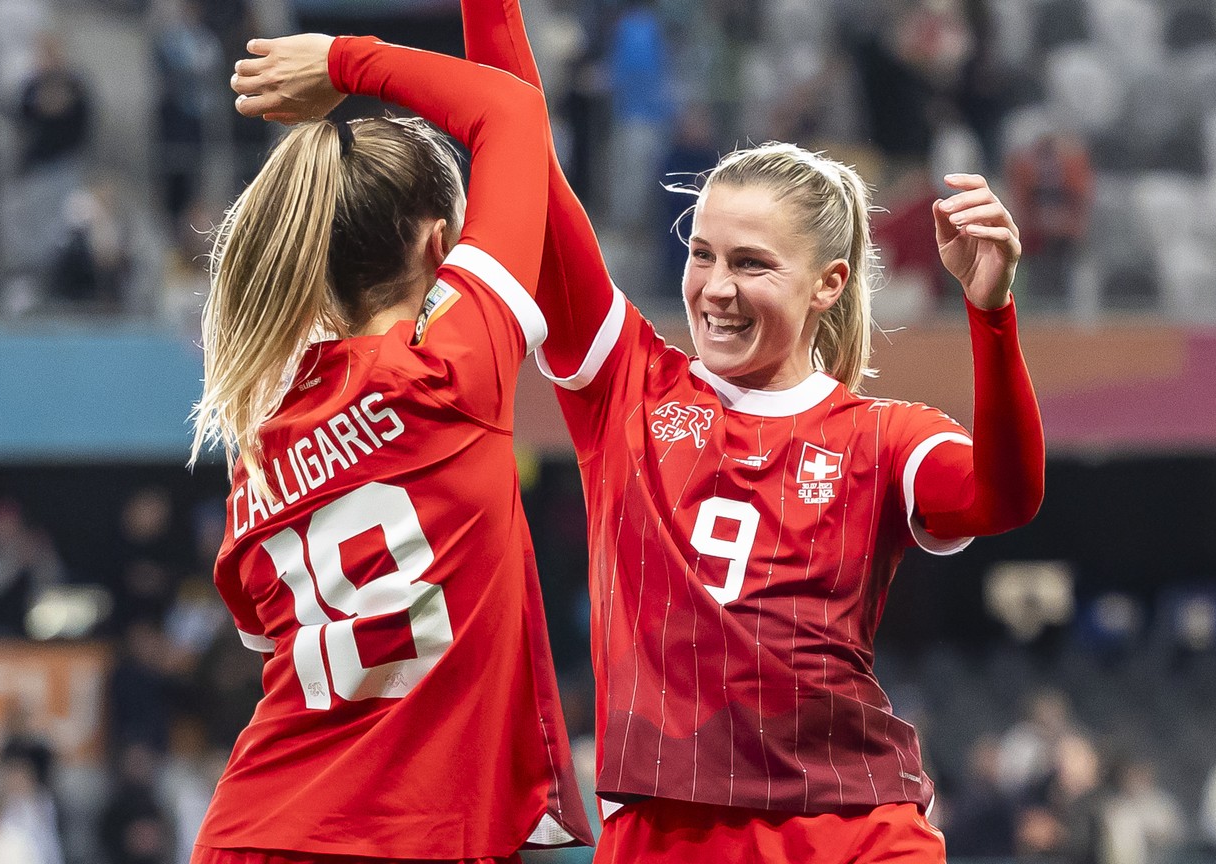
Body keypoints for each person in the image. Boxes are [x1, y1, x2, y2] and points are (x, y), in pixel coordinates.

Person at [454, 2, 1046, 860]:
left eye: (751, 264)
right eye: (703, 255)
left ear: (828, 284)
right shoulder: (627, 388)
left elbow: (1004, 498)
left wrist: (991, 315)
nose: (715, 288)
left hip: (850, 829)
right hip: (668, 832)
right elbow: (521, 146)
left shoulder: (879, 437)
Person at [194, 31, 591, 863]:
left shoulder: (257, 456)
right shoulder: (449, 370)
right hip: (408, 835)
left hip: (251, 832)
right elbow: (510, 110)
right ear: (438, 248)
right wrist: (344, 61)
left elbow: (280, 653)